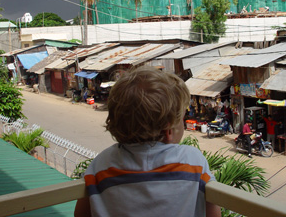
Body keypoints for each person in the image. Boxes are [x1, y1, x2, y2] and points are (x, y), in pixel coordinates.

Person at [74, 66, 221, 217]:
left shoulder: (102, 163)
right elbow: (213, 213)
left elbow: (80, 213)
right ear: (168, 130)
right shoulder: (192, 161)